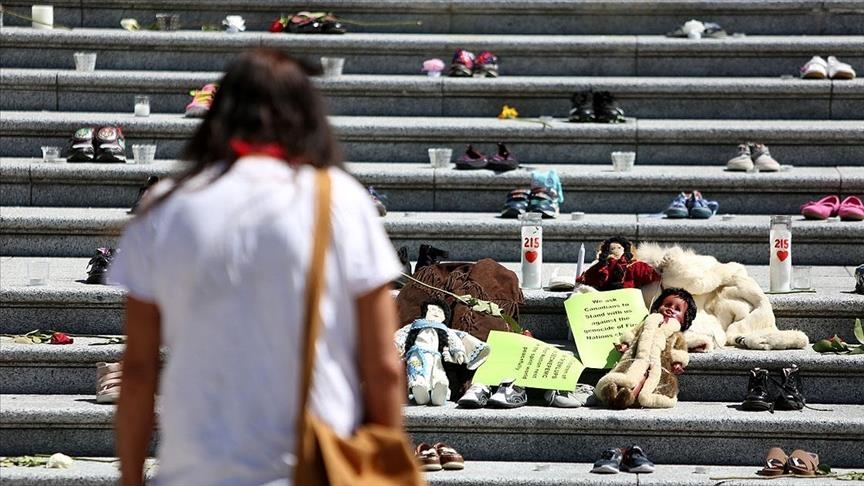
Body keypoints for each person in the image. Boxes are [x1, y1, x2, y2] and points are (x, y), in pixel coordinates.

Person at [110, 48, 406, 486]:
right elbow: (382, 365)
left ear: (221, 115)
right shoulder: (339, 200)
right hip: (309, 466)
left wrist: (131, 477)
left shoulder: (165, 206)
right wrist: (387, 463)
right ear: (305, 116)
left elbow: (137, 369)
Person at [594, 287, 696, 409]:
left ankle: (628, 397)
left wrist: (678, 363)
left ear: (685, 319)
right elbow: (633, 335)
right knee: (629, 377)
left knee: (644, 380)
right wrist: (625, 345)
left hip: (656, 365)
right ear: (657, 307)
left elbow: (679, 351)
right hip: (637, 359)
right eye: (667, 305)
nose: (670, 309)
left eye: (677, 309)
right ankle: (613, 394)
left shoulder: (676, 335)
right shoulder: (647, 323)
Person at [576, 236, 659, 291]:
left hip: (626, 297)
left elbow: (647, 272)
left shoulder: (633, 266)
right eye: (612, 248)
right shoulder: (602, 265)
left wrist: (658, 273)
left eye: (619, 248)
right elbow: (590, 275)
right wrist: (582, 279)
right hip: (604, 295)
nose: (615, 250)